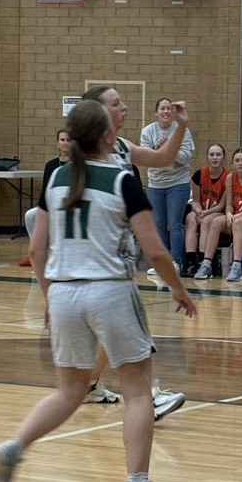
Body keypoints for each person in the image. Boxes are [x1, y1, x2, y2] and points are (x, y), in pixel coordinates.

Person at [0, 100, 196, 482]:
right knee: (138, 391)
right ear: (107, 137)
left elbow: (36, 249)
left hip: (63, 292)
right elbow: (155, 251)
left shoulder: (55, 178)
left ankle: (13, 447)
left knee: (69, 391)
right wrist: (179, 290)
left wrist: (49, 297)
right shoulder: (122, 179)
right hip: (109, 290)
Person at [78, 85, 188, 417]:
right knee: (131, 328)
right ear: (99, 112)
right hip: (99, 255)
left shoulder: (122, 146)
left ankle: (89, 384)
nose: (124, 107)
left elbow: (162, 159)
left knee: (113, 329)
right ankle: (148, 396)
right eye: (116, 103)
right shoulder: (90, 155)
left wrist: (181, 126)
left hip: (115, 253)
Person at [195, 147, 242, 281]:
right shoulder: (230, 178)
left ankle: (236, 267)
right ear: (232, 163)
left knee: (238, 223)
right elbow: (229, 205)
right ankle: (206, 264)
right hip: (236, 217)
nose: (241, 163)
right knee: (216, 222)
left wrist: (238, 216)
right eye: (237, 161)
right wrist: (228, 213)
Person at [140, 96, 195, 269]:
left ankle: (175, 261)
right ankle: (162, 263)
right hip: (156, 184)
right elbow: (145, 158)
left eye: (168, 108)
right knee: (159, 224)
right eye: (162, 108)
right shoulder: (147, 131)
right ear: (156, 112)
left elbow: (186, 158)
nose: (165, 111)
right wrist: (157, 149)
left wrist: (170, 148)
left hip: (178, 182)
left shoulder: (182, 130)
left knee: (174, 223)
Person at [19, 128, 71, 267]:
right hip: (52, 206)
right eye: (62, 140)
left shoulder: (78, 165)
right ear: (57, 143)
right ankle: (37, 251)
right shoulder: (51, 165)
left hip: (70, 206)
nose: (65, 143)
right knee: (30, 215)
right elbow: (46, 190)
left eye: (68, 140)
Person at [181, 143, 228, 276]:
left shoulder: (228, 177)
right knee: (190, 218)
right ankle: (191, 262)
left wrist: (205, 213)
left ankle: (204, 261)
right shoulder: (199, 174)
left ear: (223, 157)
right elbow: (195, 201)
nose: (215, 157)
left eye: (218, 154)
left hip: (218, 212)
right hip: (201, 210)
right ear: (207, 157)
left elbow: (222, 205)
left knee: (207, 222)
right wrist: (199, 212)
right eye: (212, 154)